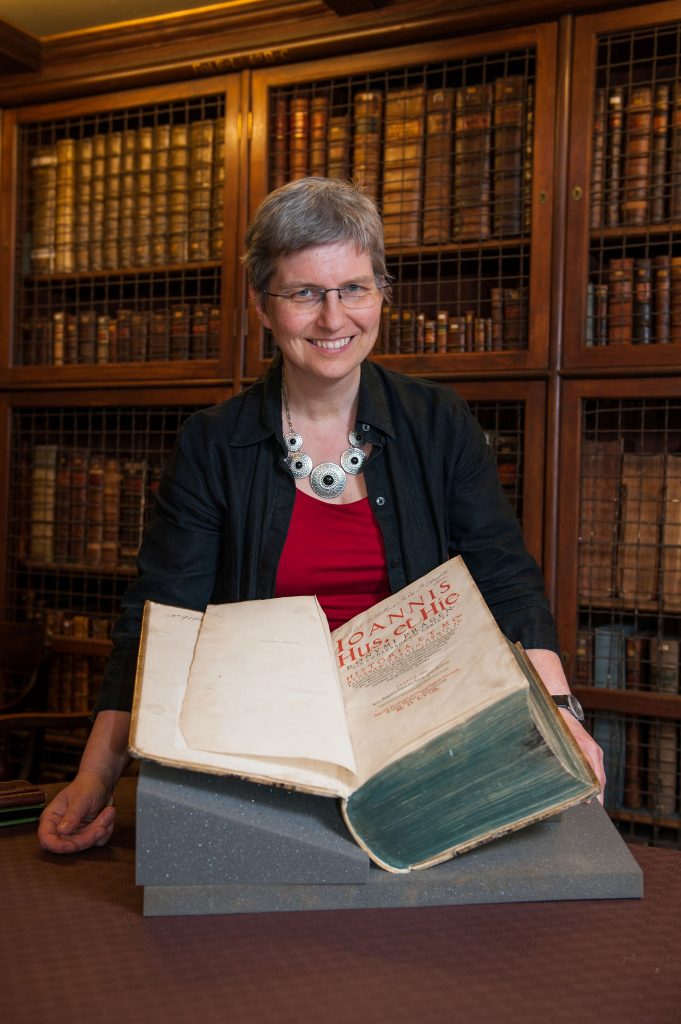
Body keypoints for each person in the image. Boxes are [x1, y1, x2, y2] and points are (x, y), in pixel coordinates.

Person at [38, 176, 604, 854]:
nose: (334, 319)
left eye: (354, 289)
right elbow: (161, 620)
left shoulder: (438, 424)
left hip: (417, 739)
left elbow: (506, 581)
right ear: (263, 306)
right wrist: (94, 777)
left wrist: (561, 717)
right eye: (305, 293)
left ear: (380, 293)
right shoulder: (214, 442)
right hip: (262, 752)